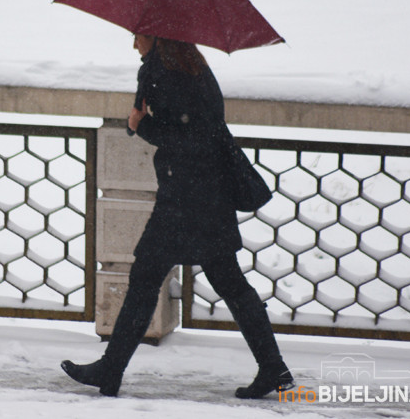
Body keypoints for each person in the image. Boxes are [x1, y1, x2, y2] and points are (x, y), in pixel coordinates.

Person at [61, 34, 294, 399]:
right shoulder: (190, 65)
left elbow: (190, 137)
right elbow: (201, 129)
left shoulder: (167, 71)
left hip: (186, 201)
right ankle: (273, 368)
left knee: (146, 280)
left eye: (137, 35)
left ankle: (111, 368)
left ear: (153, 35)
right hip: (205, 194)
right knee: (228, 284)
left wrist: (142, 126)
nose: (133, 43)